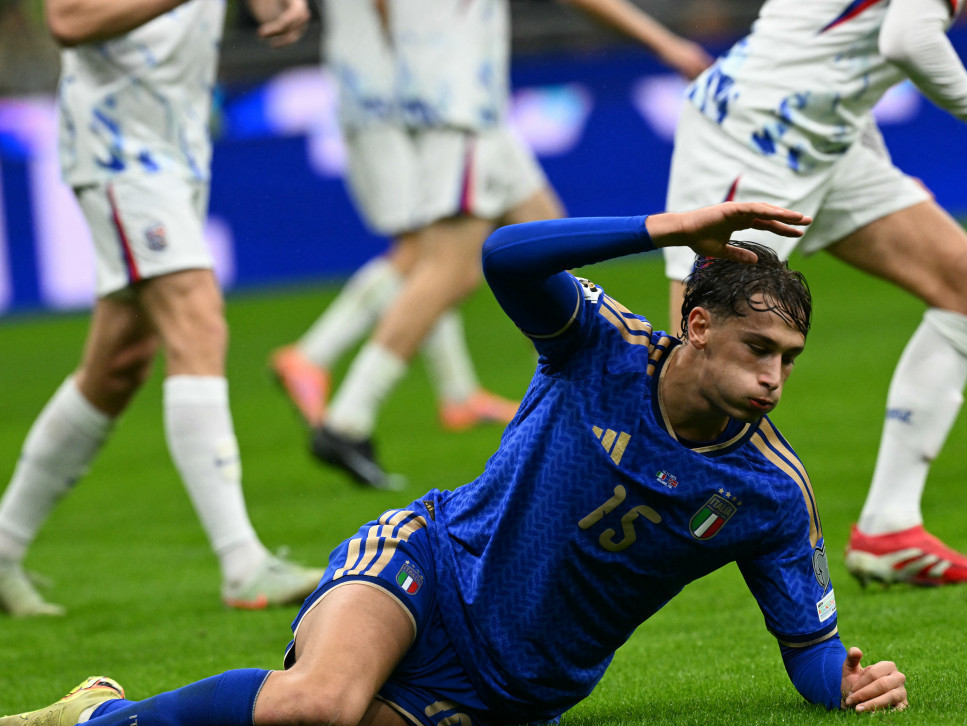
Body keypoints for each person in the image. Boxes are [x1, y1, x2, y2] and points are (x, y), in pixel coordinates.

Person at [0, 203, 908, 726]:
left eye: (787, 358)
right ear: (698, 326)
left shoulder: (769, 493)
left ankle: (98, 709)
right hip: (429, 561)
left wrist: (852, 685)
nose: (773, 377)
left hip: (505, 684)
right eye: (758, 349)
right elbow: (505, 255)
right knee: (317, 702)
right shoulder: (602, 346)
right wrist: (668, 230)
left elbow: (810, 648)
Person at [662, 0, 967, 587]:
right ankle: (624, 514)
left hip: (827, 137)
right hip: (752, 133)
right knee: (703, 348)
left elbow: (840, 50)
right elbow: (910, 40)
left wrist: (880, 169)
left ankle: (891, 527)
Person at [303, 0, 713, 490]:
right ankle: (348, 419)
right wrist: (664, 43)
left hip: (464, 111)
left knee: (553, 246)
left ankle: (600, 412)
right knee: (448, 269)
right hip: (459, 112)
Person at [0, 0, 324, 617]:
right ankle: (243, 564)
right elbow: (68, 19)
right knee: (197, 315)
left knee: (119, 363)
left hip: (179, 137)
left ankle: (1, 549)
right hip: (118, 146)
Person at [268, 0, 526, 444]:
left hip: (390, 94)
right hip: (386, 97)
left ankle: (458, 393)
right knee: (425, 252)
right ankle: (312, 356)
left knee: (437, 254)